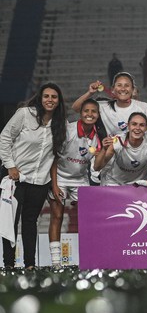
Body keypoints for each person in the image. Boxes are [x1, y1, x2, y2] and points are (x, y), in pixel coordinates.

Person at [0, 83, 67, 269]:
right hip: (16, 178)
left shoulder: (60, 124)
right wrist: (10, 166)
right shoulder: (24, 114)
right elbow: (4, 138)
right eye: (46, 96)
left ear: (59, 101)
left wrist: (52, 184)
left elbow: (55, 156)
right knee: (10, 223)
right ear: (40, 98)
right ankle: (9, 265)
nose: (50, 100)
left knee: (30, 222)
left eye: (54, 97)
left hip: (40, 181)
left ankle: (30, 264)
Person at [48, 98, 105, 266]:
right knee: (57, 216)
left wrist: (103, 151)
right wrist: (55, 184)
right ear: (80, 113)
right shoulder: (69, 130)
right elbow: (54, 158)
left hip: (81, 180)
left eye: (93, 111)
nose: (90, 114)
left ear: (98, 114)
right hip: (60, 177)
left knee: (87, 218)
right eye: (86, 111)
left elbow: (96, 165)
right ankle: (56, 262)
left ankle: (88, 258)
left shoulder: (99, 136)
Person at [72, 73, 147, 138]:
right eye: (119, 85)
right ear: (112, 89)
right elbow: (76, 108)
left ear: (133, 89)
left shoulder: (145, 108)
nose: (123, 89)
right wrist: (90, 92)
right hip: (110, 157)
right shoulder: (103, 107)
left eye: (127, 86)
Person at [94, 112, 147, 186]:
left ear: (146, 127)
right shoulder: (117, 142)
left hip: (139, 183)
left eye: (142, 125)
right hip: (115, 182)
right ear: (128, 125)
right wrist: (104, 149)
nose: (137, 128)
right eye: (134, 124)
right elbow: (97, 167)